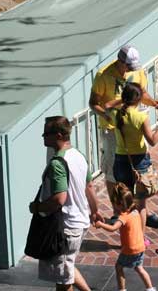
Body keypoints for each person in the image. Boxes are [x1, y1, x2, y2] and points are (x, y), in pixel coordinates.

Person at [89, 45, 158, 227]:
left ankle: (140, 209)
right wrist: (107, 116)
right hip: (112, 131)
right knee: (114, 174)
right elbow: (94, 103)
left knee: (138, 174)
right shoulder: (103, 75)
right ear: (120, 61)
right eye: (128, 67)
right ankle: (118, 212)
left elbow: (141, 93)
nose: (130, 71)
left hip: (131, 128)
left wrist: (153, 102)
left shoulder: (137, 72)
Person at [30, 116, 103, 291]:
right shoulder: (78, 155)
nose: (43, 136)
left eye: (47, 133)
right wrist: (94, 211)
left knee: (63, 282)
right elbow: (89, 186)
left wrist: (37, 207)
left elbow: (59, 199)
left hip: (65, 228)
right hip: (79, 223)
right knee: (67, 267)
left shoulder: (57, 164)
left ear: (60, 135)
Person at [110, 82, 158, 239]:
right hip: (138, 162)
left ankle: (126, 238)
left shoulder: (116, 113)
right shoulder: (140, 117)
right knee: (141, 204)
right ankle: (139, 239)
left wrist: (121, 99)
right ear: (138, 99)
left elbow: (106, 105)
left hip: (120, 160)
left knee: (125, 204)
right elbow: (152, 140)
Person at [95, 183, 156, 291]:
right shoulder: (135, 212)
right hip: (140, 246)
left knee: (119, 267)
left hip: (130, 249)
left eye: (113, 203)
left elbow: (113, 228)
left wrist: (100, 224)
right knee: (139, 268)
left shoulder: (123, 217)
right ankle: (150, 288)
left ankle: (122, 289)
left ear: (119, 204)